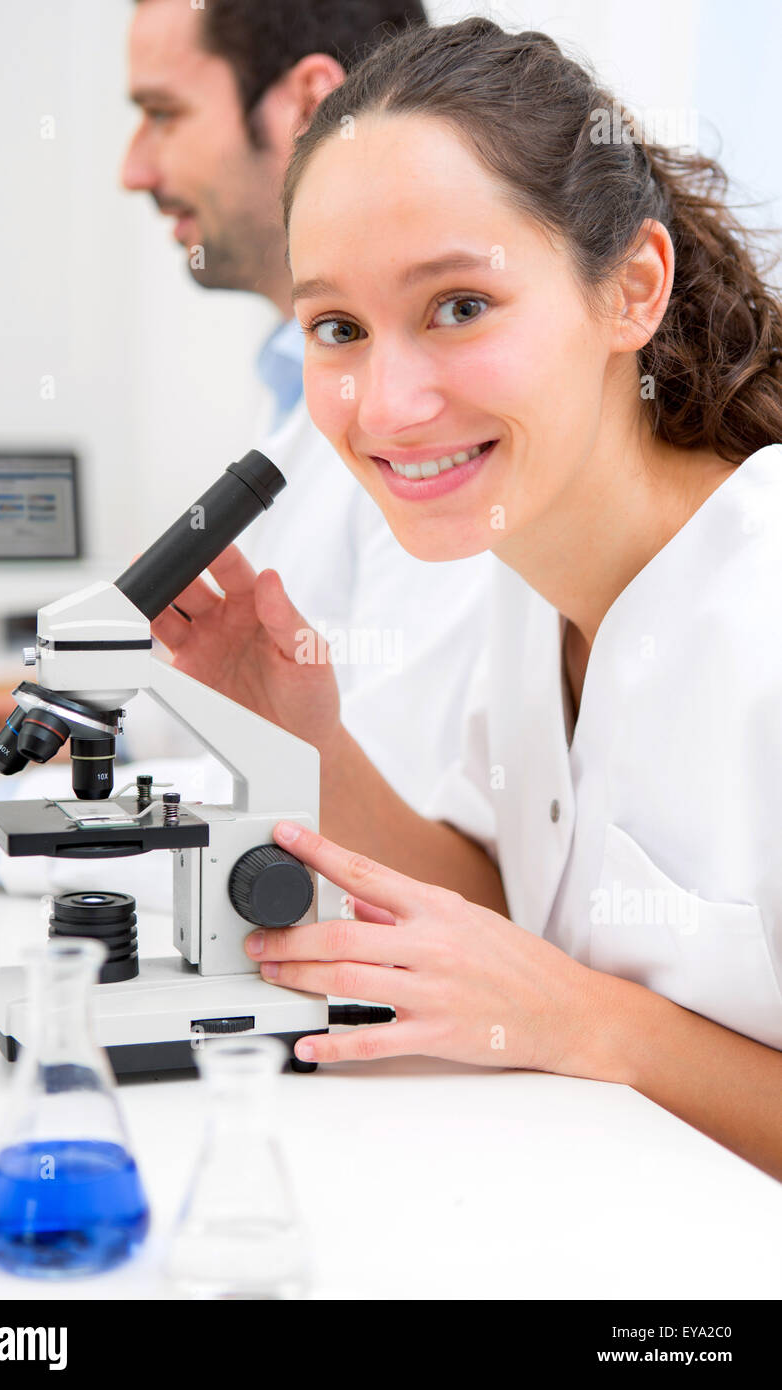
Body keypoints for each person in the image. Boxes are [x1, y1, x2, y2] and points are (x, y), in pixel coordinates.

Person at [147, 17, 782, 1178]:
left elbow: (561, 987)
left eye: (456, 306)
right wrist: (309, 740)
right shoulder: (526, 576)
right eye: (336, 327)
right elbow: (522, 906)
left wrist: (591, 1022)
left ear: (631, 289)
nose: (384, 407)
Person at [0, 0, 495, 914]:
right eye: (338, 330)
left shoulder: (437, 438)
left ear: (307, 104)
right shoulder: (294, 404)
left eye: (165, 112)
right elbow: (296, 714)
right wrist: (126, 732)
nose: (132, 168)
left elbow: (378, 826)